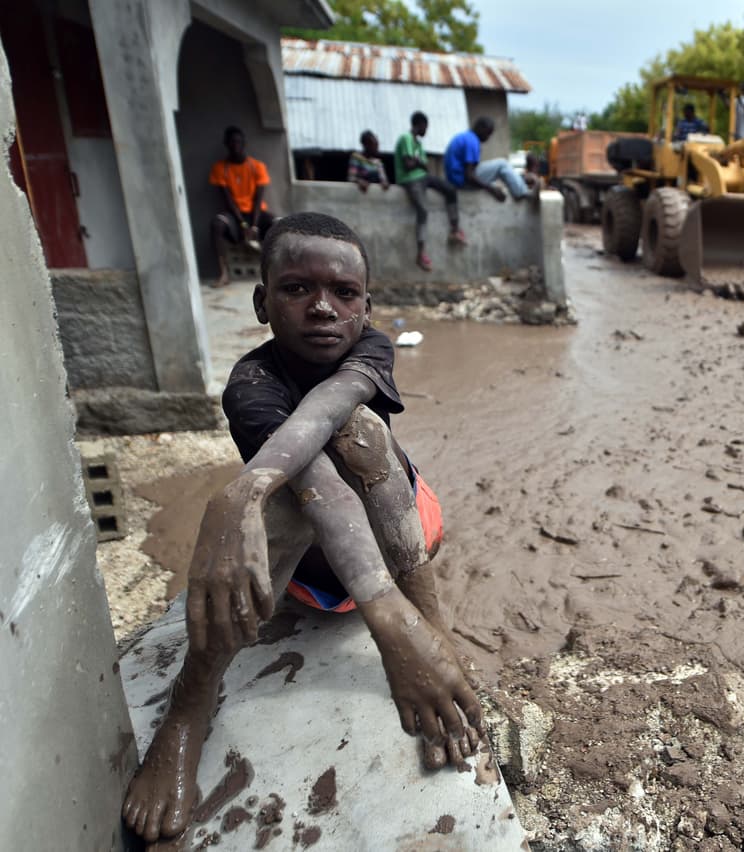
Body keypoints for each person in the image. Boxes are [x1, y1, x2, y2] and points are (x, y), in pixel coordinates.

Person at [120, 212, 484, 844]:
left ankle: (434, 627)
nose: (322, 308)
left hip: (395, 538)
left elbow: (327, 412)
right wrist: (384, 620)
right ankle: (190, 703)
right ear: (263, 303)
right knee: (295, 491)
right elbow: (320, 488)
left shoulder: (371, 348)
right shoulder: (251, 384)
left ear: (365, 308)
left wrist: (242, 488)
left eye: (344, 293)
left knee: (360, 430)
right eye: (296, 289)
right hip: (312, 563)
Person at [395, 111, 466, 273]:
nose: (426, 131)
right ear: (419, 125)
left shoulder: (418, 144)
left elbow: (423, 165)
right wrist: (418, 163)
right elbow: (408, 165)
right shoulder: (406, 138)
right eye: (425, 127)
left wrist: (418, 162)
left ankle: (455, 230)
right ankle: (420, 254)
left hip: (423, 177)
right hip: (410, 179)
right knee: (423, 210)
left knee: (450, 190)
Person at [209, 126, 274, 288]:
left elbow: (258, 200)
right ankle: (223, 274)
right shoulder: (220, 168)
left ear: (244, 143)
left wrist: (254, 226)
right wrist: (243, 224)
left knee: (279, 223)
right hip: (235, 215)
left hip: (256, 214)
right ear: (226, 144)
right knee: (217, 224)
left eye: (238, 141)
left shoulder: (257, 166)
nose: (235, 145)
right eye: (231, 142)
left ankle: (276, 272)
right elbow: (228, 200)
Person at [444, 117, 538, 204]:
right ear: (481, 129)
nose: (488, 138)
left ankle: (520, 184)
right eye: (488, 133)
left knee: (498, 178)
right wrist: (491, 189)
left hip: (455, 180)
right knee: (502, 164)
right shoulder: (472, 141)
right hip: (462, 182)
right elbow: (469, 175)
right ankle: (522, 192)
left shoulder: (465, 137)